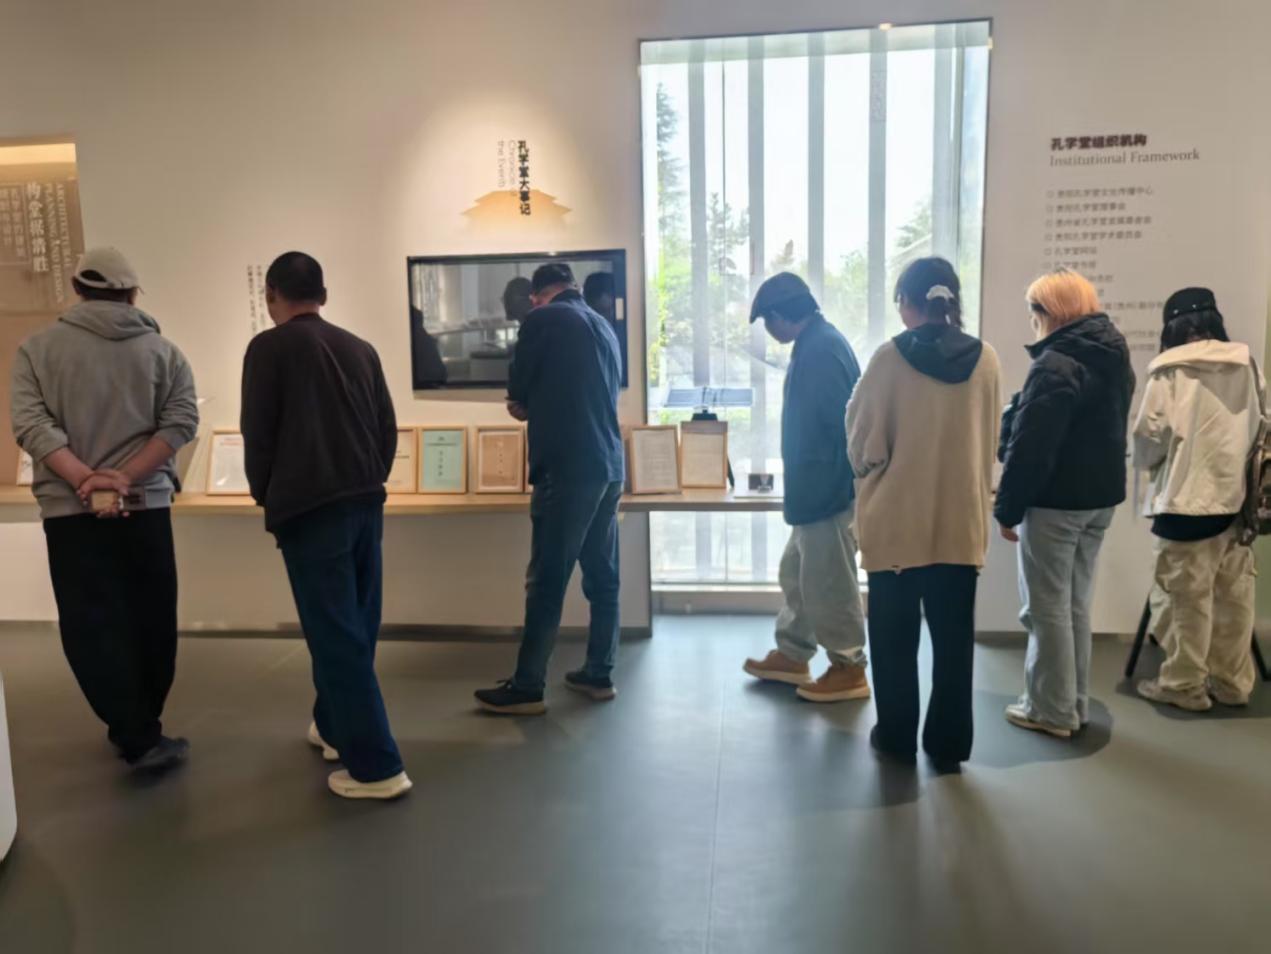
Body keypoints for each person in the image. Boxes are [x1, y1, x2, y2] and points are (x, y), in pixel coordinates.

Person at [10, 247, 198, 773]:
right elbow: (181, 422)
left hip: (68, 512)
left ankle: (129, 726)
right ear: (133, 294)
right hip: (145, 506)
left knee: (90, 621)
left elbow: (31, 425)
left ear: (77, 289)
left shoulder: (36, 350)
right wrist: (125, 477)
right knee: (151, 615)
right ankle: (143, 726)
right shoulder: (164, 352)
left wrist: (84, 479)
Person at [240, 251, 410, 800]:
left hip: (310, 510)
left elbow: (258, 436)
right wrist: (370, 478)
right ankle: (335, 726)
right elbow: (386, 428)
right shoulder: (360, 348)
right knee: (354, 624)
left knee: (334, 634)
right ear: (325, 296)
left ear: (271, 294)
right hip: (364, 501)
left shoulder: (267, 349)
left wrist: (267, 497)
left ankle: (378, 767)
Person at [846, 257, 1001, 770]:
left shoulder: (889, 359)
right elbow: (990, 440)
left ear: (909, 303)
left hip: (897, 526)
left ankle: (896, 737)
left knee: (894, 644)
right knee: (954, 646)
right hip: (960, 526)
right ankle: (949, 744)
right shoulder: (987, 360)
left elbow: (863, 443)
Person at [474, 262, 624, 715]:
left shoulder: (543, 319)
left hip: (566, 468)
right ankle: (599, 672)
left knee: (546, 580)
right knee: (603, 577)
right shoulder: (604, 325)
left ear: (537, 296)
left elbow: (517, 391)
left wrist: (528, 402)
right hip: (609, 464)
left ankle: (527, 686)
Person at [995, 270, 1134, 738]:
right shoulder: (1113, 353)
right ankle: (1072, 704)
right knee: (1074, 605)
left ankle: (1050, 710)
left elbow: (1031, 448)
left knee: (1045, 609)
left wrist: (1007, 509)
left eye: (1033, 311)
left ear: (1047, 312)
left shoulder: (1055, 364)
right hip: (1098, 501)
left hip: (1055, 503)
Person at [741, 273, 871, 702]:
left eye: (767, 320)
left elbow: (842, 429)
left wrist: (830, 488)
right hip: (815, 490)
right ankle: (794, 654)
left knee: (830, 581)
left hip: (826, 492)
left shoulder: (821, 350)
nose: (767, 329)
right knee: (797, 573)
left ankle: (849, 667)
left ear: (782, 315)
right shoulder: (816, 343)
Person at [1133, 288, 1262, 711]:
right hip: (1239, 504)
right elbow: (1261, 427)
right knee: (1233, 598)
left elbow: (1148, 439)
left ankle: (1183, 685)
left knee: (1185, 599)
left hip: (1185, 503)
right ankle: (1232, 683)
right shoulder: (1247, 365)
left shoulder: (1168, 371)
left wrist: (1154, 465)